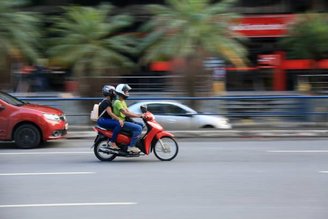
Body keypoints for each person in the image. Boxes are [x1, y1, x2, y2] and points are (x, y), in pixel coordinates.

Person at [113, 84, 144, 153]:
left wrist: (139, 115)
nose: (128, 93)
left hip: (124, 121)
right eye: (126, 91)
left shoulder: (122, 101)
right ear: (121, 92)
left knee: (141, 125)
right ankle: (131, 146)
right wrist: (138, 116)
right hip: (121, 122)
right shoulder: (117, 102)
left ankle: (130, 140)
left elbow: (128, 112)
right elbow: (125, 113)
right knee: (138, 128)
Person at [97, 85, 124, 150]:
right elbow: (110, 113)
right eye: (113, 92)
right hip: (103, 120)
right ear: (108, 92)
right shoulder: (107, 101)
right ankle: (112, 142)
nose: (114, 93)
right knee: (118, 124)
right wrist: (119, 119)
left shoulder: (107, 101)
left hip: (104, 120)